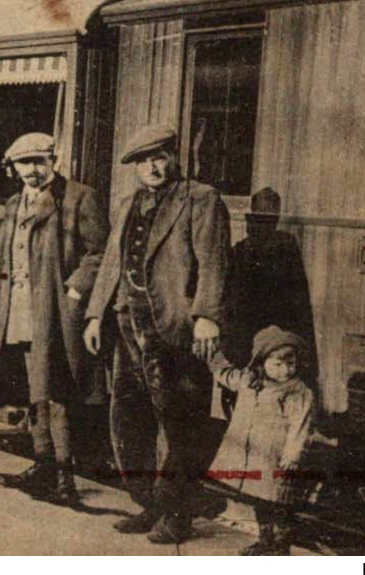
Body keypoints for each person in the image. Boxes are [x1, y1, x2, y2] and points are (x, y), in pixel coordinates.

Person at [85, 124, 230, 545]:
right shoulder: (129, 202)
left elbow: (214, 262)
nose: (152, 166)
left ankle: (178, 514)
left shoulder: (201, 199)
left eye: (160, 156)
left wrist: (207, 316)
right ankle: (149, 502)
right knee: (130, 418)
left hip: (176, 328)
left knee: (181, 421)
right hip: (129, 324)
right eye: (143, 161)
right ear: (133, 167)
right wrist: (96, 315)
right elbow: (112, 262)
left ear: (173, 157)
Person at [0, 132, 107, 508]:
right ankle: (43, 465)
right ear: (13, 168)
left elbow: (99, 253)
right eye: (23, 163)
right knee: (35, 391)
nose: (31, 170)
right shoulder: (15, 202)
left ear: (53, 161)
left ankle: (66, 478)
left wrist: (74, 291)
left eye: (38, 161)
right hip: (16, 310)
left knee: (58, 391)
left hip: (54, 311)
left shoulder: (80, 197)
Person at [207, 326, 316, 555]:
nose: (286, 370)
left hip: (277, 460)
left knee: (279, 506)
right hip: (255, 457)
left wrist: (292, 455)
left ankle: (280, 548)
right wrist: (212, 354)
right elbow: (225, 374)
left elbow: (301, 424)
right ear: (261, 362)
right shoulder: (249, 380)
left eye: (291, 363)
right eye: (278, 364)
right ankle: (266, 542)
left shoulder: (297, 390)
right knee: (260, 502)